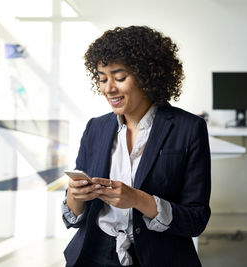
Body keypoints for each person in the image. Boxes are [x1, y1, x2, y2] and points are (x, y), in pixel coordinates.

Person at [61, 25, 211, 267]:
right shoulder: (95, 128)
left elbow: (196, 219)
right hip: (94, 254)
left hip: (160, 257)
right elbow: (74, 216)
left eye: (119, 78)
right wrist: (74, 195)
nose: (109, 88)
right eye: (102, 78)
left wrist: (138, 199)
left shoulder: (189, 128)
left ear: (148, 75)